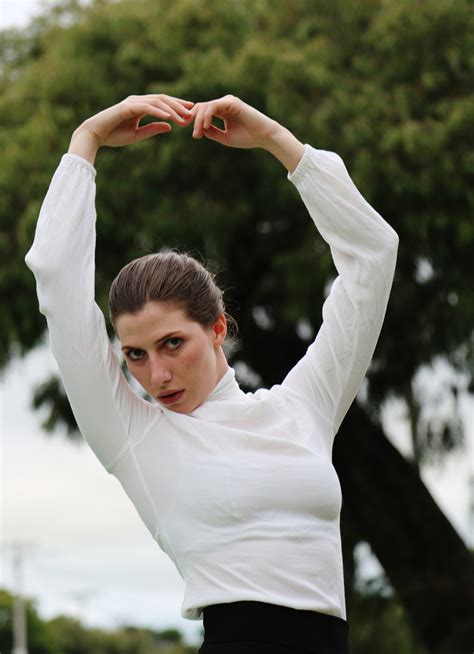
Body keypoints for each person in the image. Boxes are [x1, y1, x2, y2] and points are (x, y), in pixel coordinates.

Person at [25, 93, 399, 654]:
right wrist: (87, 140)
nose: (156, 373)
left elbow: (373, 255)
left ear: (218, 329)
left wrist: (278, 142)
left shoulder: (304, 407)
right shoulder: (134, 435)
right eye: (135, 354)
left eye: (172, 343)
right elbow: (57, 280)